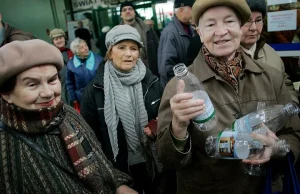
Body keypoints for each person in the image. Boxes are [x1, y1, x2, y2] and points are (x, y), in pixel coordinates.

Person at [157, 0, 300, 193]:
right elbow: (167, 160)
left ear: (240, 27)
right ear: (199, 32)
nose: (221, 31)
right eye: (210, 24)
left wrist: (277, 148)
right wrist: (178, 127)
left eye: (229, 21)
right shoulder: (178, 87)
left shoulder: (271, 76)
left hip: (265, 187)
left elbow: (293, 134)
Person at [0, 39, 138, 194]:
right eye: (32, 84)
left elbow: (100, 161)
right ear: (6, 94)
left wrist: (119, 185)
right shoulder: (6, 146)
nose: (48, 93)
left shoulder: (68, 114)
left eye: (52, 80)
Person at [80, 25, 171, 194]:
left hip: (153, 163)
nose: (129, 54)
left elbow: (165, 119)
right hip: (119, 169)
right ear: (109, 52)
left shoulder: (152, 82)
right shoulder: (95, 90)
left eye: (134, 48)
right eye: (121, 47)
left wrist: (157, 129)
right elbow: (89, 139)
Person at [240, 0, 298, 104]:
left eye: (258, 20)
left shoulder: (270, 52)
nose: (253, 28)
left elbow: (284, 81)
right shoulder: (226, 57)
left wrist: (292, 103)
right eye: (247, 21)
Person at [157, 0, 195, 88]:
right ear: (181, 10)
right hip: (178, 87)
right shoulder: (169, 33)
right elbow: (167, 68)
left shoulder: (191, 29)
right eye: (193, 10)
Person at [120, 2, 159, 77]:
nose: (128, 11)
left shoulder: (147, 29)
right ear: (121, 15)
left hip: (149, 71)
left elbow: (158, 49)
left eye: (130, 9)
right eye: (124, 10)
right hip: (128, 73)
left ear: (134, 12)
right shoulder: (117, 33)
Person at [66, 38, 103, 106]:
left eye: (86, 45)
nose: (86, 48)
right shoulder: (71, 65)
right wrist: (73, 98)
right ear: (76, 52)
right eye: (81, 48)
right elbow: (70, 83)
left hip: (100, 96)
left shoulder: (98, 60)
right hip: (82, 98)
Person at [50, 28, 74, 105]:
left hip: (76, 81)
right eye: (56, 39)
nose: (59, 40)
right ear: (53, 41)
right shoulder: (51, 53)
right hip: (62, 83)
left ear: (64, 38)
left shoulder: (73, 48)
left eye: (61, 38)